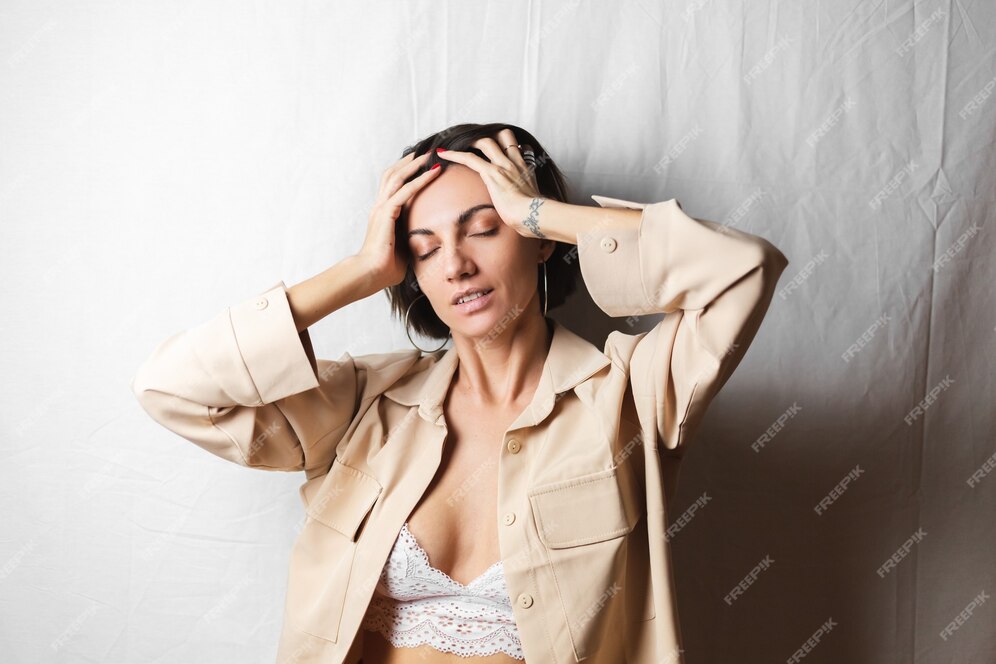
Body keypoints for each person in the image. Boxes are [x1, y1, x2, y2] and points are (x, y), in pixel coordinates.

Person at [131, 122, 789, 664]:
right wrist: (360, 271)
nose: (456, 265)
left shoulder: (631, 397)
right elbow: (173, 388)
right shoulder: (363, 404)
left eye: (484, 228)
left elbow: (744, 272)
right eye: (424, 247)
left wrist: (541, 209)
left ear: (539, 245)